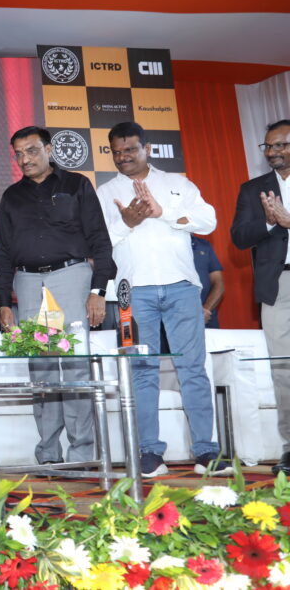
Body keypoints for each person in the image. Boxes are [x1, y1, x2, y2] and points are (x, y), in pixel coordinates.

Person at [97, 121, 229, 478]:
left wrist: (163, 213)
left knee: (193, 369)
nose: (123, 158)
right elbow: (98, 242)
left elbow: (208, 221)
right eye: (116, 152)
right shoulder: (104, 192)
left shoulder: (177, 184)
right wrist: (127, 222)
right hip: (130, 293)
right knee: (140, 370)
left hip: (182, 288)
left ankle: (207, 452)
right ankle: (149, 453)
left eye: (130, 150)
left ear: (148, 148)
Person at [0, 126, 116, 465]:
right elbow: (2, 253)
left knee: (75, 368)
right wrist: (2, 301)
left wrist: (98, 291)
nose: (24, 159)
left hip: (72, 278)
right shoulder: (11, 196)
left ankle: (81, 455)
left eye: (31, 151)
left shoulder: (76, 185)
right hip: (27, 283)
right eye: (18, 153)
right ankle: (48, 455)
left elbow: (100, 241)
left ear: (48, 149)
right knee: (41, 370)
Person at [230, 118, 290, 475]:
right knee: (283, 367)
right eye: (268, 146)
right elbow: (239, 237)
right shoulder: (253, 189)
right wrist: (270, 221)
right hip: (277, 285)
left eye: (281, 145)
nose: (273, 152)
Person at [190, 235, 224, 329]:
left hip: (207, 318)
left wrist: (205, 310)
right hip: (175, 319)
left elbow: (218, 283)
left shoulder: (204, 245)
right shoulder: (162, 245)